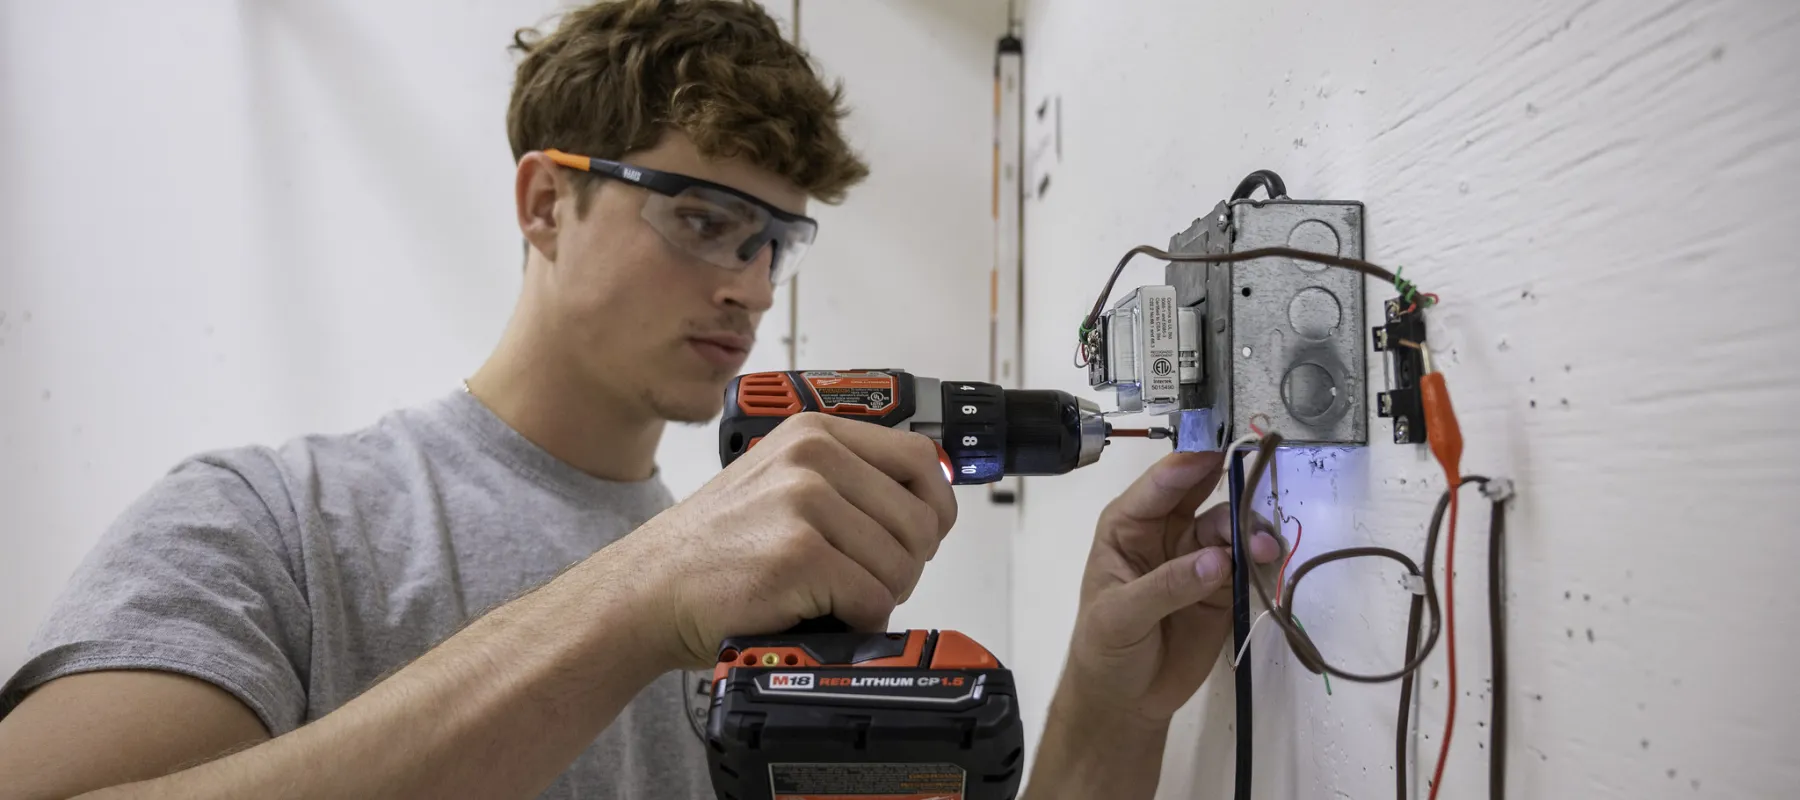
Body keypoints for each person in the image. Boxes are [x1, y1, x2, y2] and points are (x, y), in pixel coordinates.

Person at [0, 1, 1279, 798]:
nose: (748, 284)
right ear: (545, 202)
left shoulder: (771, 587)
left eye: (774, 241)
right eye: (703, 218)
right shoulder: (275, 520)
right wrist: (637, 596)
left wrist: (1108, 704)